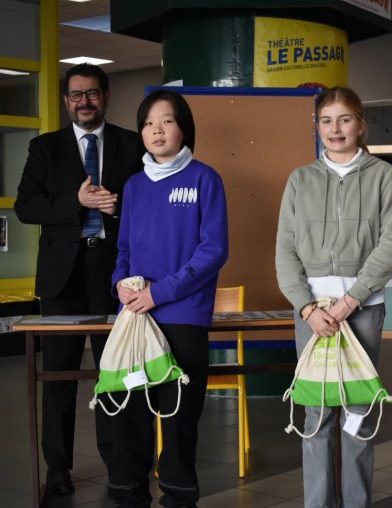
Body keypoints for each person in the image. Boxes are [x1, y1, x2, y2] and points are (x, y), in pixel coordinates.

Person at [14, 63, 144, 495]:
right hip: (62, 279)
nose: (84, 101)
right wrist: (76, 202)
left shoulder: (132, 143)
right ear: (66, 101)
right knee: (59, 377)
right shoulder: (45, 148)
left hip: (116, 273)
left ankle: (118, 463)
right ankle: (58, 468)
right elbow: (26, 206)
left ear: (105, 97)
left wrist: (116, 206)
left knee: (117, 372)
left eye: (92, 93)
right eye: (76, 94)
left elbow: (149, 202)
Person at [275, 86, 392, 508]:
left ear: (361, 124)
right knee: (317, 413)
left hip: (362, 312)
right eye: (326, 121)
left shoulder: (384, 176)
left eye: (344, 119)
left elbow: (390, 246)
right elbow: (285, 250)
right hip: (311, 316)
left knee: (358, 412)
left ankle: (356, 502)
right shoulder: (300, 179)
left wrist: (351, 300)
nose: (335, 129)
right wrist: (307, 307)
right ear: (316, 126)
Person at [109, 89, 228, 508]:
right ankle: (128, 494)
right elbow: (124, 249)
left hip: (183, 316)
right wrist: (120, 284)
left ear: (184, 128)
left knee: (178, 416)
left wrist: (159, 293)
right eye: (148, 123)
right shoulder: (134, 185)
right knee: (130, 410)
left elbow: (213, 250)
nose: (156, 130)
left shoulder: (204, 179)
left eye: (167, 121)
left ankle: (178, 497)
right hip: (135, 319)